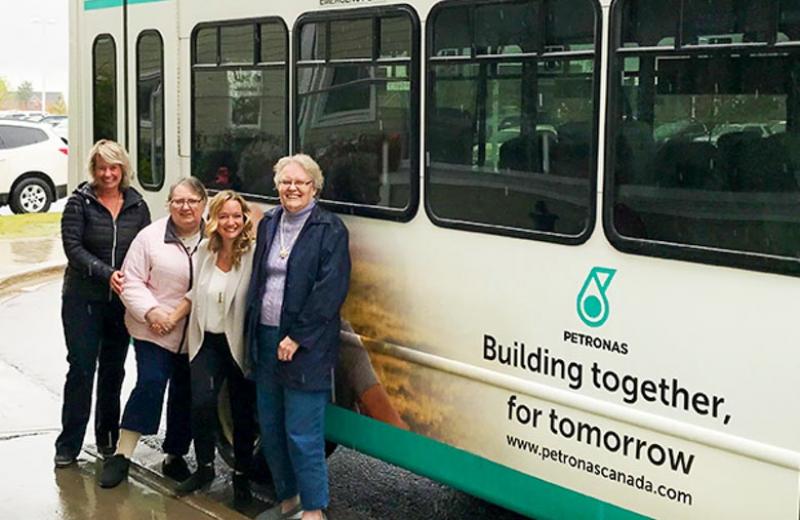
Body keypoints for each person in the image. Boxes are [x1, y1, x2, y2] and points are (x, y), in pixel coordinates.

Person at [246, 154, 351, 520]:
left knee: (303, 434)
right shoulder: (270, 222)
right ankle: (288, 500)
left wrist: (297, 337)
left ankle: (314, 510)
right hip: (265, 337)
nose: (292, 188)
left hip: (306, 346)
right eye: (286, 181)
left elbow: (330, 290)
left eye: (300, 182)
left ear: (314, 188)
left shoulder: (330, 229)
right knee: (271, 429)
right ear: (277, 186)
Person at [98, 178, 208, 488]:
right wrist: (152, 312)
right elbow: (130, 282)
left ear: (203, 203)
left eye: (192, 201)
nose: (185, 207)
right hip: (153, 329)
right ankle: (122, 454)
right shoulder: (149, 238)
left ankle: (175, 455)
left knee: (186, 393)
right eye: (178, 201)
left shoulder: (213, 238)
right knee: (151, 381)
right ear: (169, 204)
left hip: (194, 333)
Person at [55, 140, 151, 467]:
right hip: (83, 300)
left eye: (113, 167)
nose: (107, 174)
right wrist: (106, 273)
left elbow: (144, 250)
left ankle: (107, 437)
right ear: (93, 170)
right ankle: (68, 444)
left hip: (119, 304)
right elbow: (73, 248)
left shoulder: (137, 206)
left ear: (122, 169)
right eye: (101, 167)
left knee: (114, 371)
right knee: (81, 370)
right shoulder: (79, 203)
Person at [172, 190, 257, 503]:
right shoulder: (205, 250)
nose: (230, 222)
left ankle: (241, 478)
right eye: (224, 216)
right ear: (214, 219)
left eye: (236, 216)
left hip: (237, 343)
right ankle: (205, 466)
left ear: (244, 218)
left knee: (242, 413)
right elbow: (196, 292)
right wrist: (172, 316)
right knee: (202, 403)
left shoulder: (253, 254)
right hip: (207, 340)